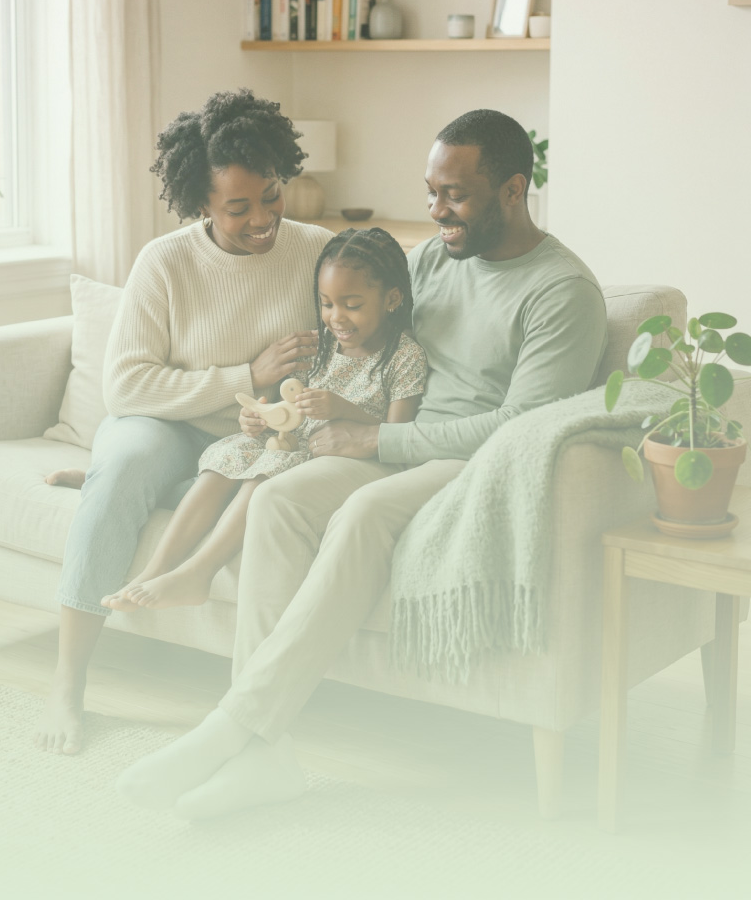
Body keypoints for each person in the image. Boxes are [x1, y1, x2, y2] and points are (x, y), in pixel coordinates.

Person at [116, 108, 609, 821]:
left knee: (365, 511)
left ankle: (233, 725)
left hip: (471, 462)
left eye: (456, 195)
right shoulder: (441, 257)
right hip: (395, 440)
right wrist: (317, 406)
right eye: (431, 191)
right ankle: (268, 759)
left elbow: (518, 432)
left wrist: (377, 441)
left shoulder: (562, 292)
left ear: (513, 190)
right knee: (279, 500)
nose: (437, 212)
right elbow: (375, 345)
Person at [34, 90, 334, 756]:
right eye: (239, 208)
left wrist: (276, 403)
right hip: (162, 423)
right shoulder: (164, 262)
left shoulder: (319, 252)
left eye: (272, 195)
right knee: (125, 472)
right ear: (201, 202)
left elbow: (352, 354)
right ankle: (67, 682)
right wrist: (245, 375)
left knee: (244, 468)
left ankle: (122, 477)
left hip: (259, 433)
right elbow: (128, 385)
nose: (263, 219)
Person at [106, 228, 427, 611]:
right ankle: (154, 570)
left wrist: (343, 409)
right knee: (224, 463)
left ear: (391, 298)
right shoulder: (319, 344)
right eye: (326, 304)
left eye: (352, 304)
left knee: (262, 476)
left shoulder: (404, 356)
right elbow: (284, 401)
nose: (336, 317)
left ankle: (199, 573)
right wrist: (259, 417)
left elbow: (397, 438)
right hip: (291, 445)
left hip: (340, 459)